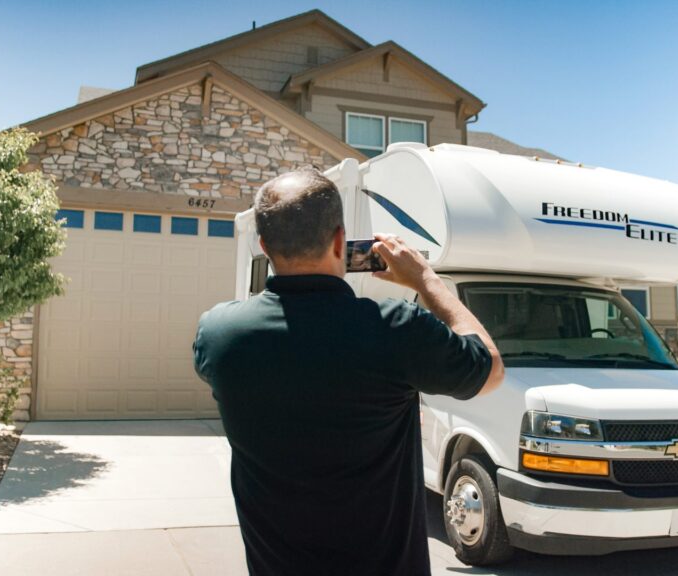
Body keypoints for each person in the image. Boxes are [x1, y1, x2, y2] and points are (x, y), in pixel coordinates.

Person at [193, 167, 504, 576]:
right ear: (340, 239)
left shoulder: (219, 334)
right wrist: (426, 279)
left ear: (264, 245)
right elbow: (491, 369)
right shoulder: (395, 329)